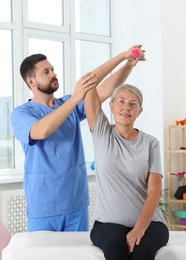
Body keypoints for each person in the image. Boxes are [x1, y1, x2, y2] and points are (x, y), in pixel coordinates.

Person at [10, 45, 145, 232]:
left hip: (76, 203)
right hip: (44, 206)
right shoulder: (21, 113)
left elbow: (103, 89)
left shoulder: (67, 104)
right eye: (46, 72)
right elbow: (40, 131)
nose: (53, 74)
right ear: (31, 81)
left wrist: (127, 63)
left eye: (53, 70)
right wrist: (75, 98)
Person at [83, 71, 169, 258]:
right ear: (111, 106)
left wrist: (139, 229)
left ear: (140, 111)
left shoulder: (150, 143)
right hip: (107, 224)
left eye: (132, 104)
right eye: (120, 101)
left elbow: (154, 191)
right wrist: (126, 60)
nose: (126, 108)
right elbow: (89, 85)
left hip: (151, 224)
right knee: (116, 250)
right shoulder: (101, 133)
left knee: (142, 252)